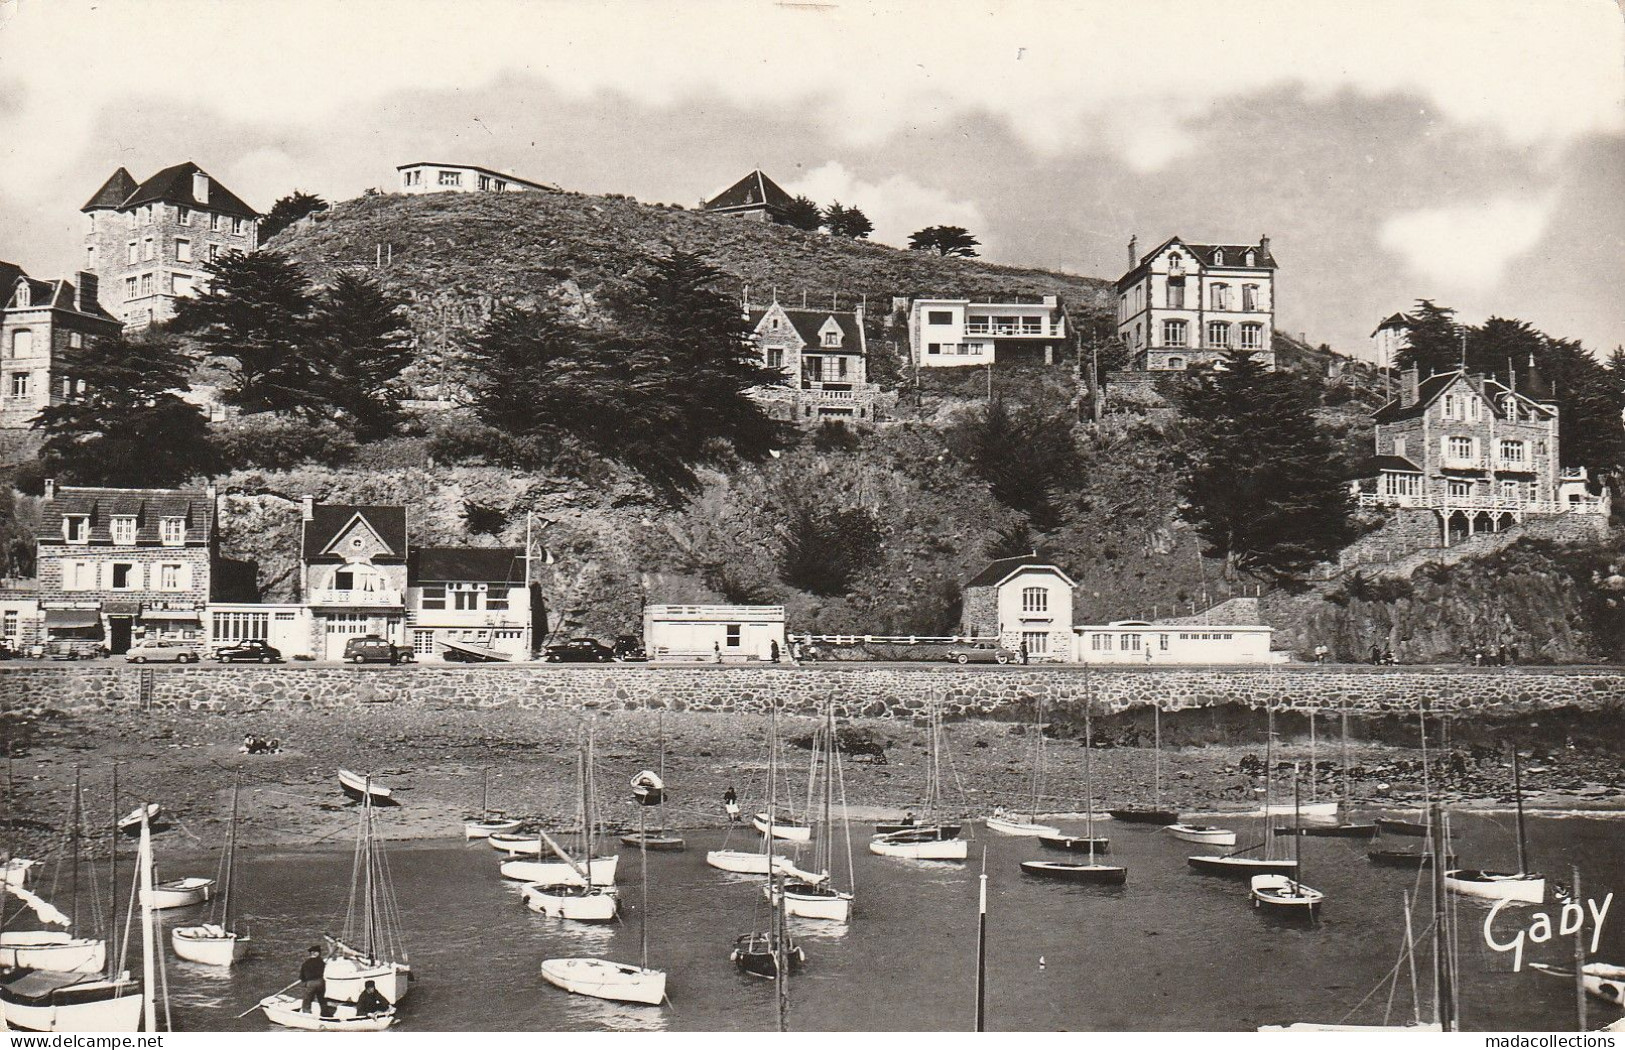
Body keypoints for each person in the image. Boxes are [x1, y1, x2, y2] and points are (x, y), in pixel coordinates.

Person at [299, 945, 328, 1015]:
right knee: (322, 999)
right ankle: (325, 1013)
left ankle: (306, 1013)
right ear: (317, 953)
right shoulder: (322, 962)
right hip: (321, 982)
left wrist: (304, 982)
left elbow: (302, 977)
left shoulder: (306, 963)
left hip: (310, 983)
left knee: (307, 999)